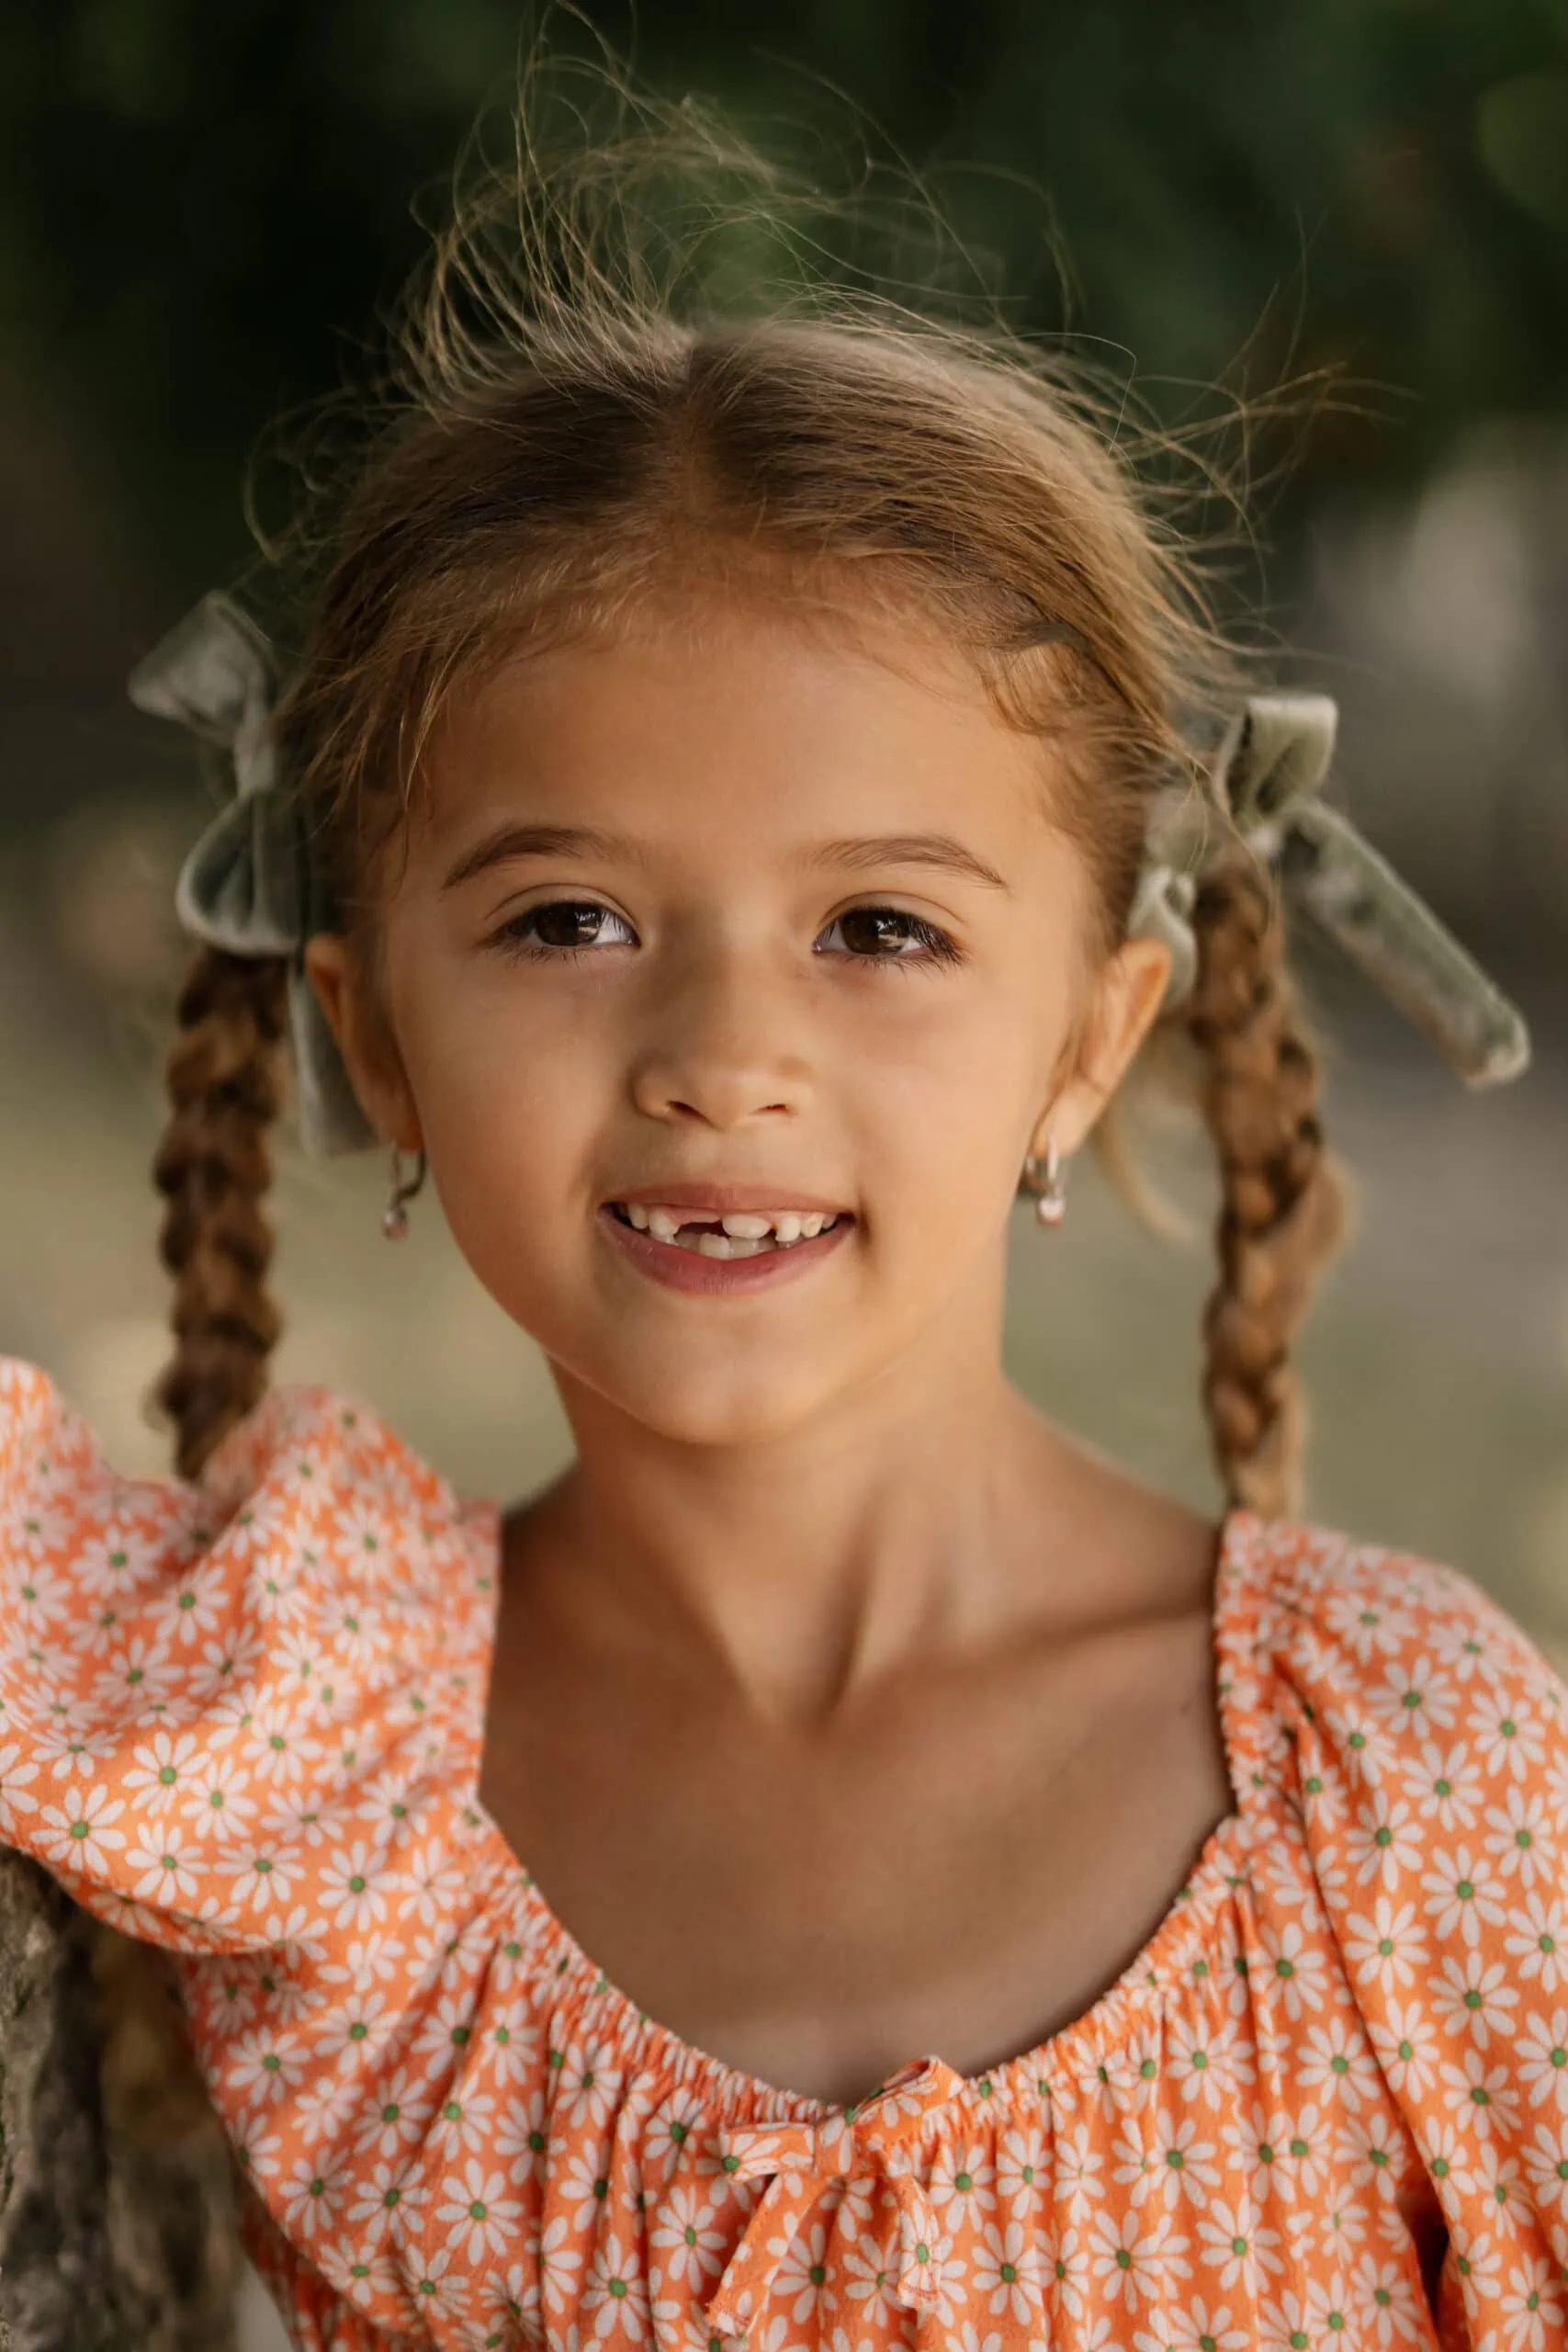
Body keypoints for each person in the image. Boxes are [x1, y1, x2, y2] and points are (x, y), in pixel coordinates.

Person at [0, 51, 1557, 2352]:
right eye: (565, 920)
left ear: (1089, 1036)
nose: (725, 1055)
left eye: (884, 928)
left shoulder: (1408, 1779)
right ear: (378, 1034)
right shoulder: (300, 1724)